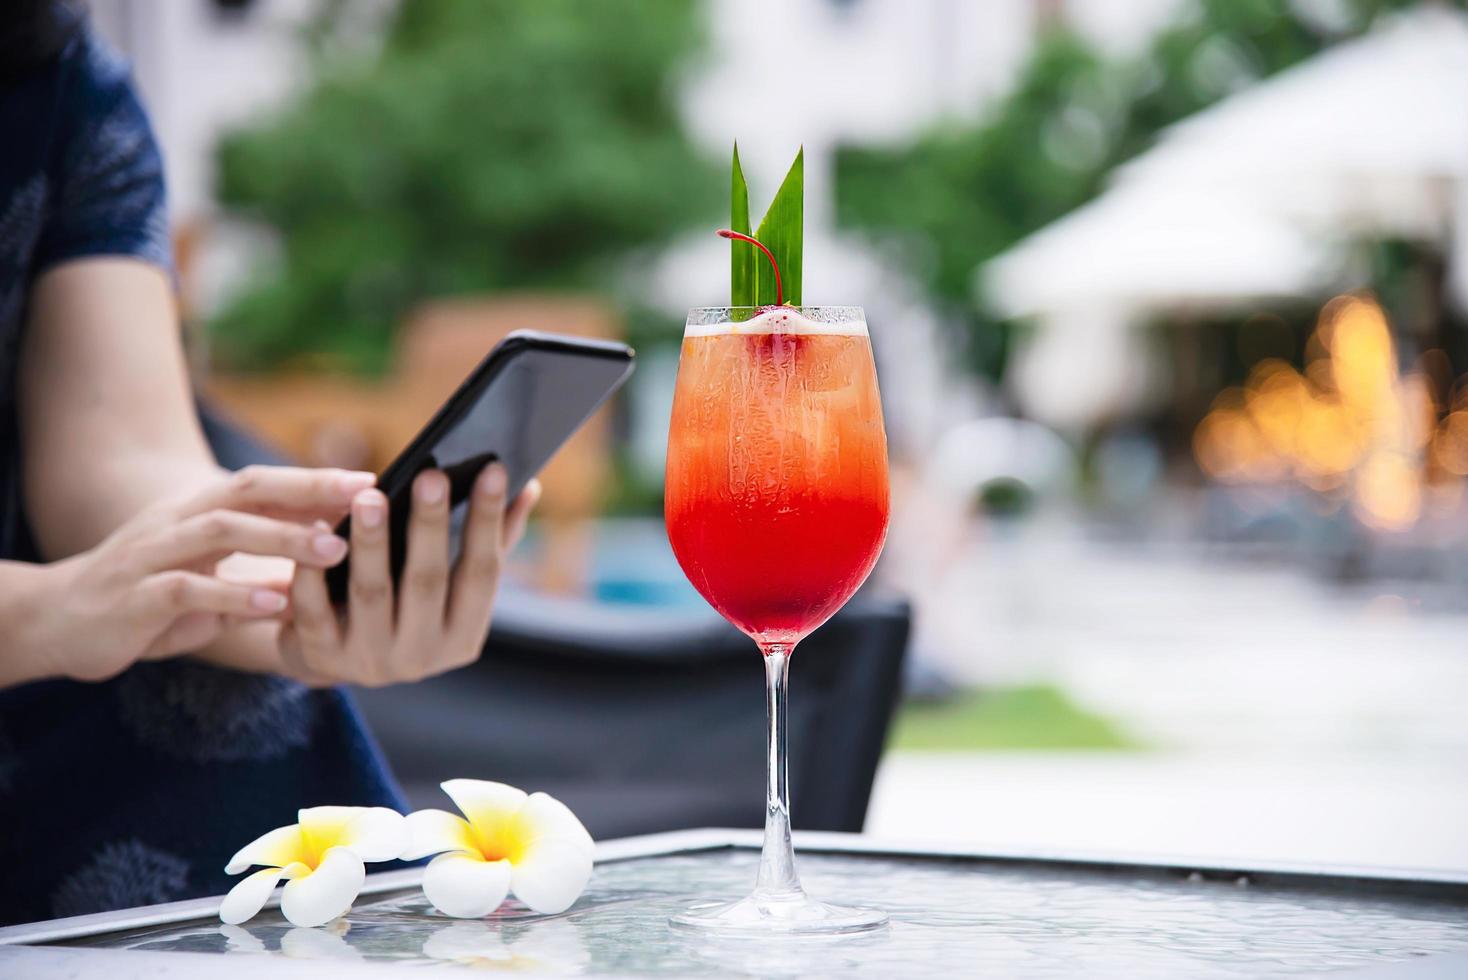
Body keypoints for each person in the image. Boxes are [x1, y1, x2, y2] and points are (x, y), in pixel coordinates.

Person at [0, 2, 539, 924]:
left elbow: (119, 467)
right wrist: (59, 609)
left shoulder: (64, 88)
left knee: (255, 696)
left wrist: (302, 589)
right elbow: (78, 591)